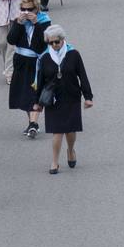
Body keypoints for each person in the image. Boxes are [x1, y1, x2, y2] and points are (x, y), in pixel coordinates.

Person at [33, 24, 93, 174]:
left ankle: (71, 150)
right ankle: (54, 162)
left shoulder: (74, 55)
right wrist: (37, 103)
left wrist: (88, 97)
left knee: (70, 131)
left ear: (63, 39)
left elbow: (83, 76)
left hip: (71, 97)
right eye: (50, 43)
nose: (54, 45)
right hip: (53, 100)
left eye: (56, 42)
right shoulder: (45, 58)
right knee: (57, 132)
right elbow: (40, 81)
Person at [6, 0, 50, 138]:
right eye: (24, 9)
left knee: (34, 93)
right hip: (20, 60)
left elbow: (40, 45)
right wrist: (18, 24)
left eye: (30, 10)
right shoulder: (19, 21)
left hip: (36, 61)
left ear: (36, 9)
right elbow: (11, 40)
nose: (27, 13)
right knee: (24, 94)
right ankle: (32, 122)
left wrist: (36, 24)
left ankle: (34, 124)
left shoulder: (44, 22)